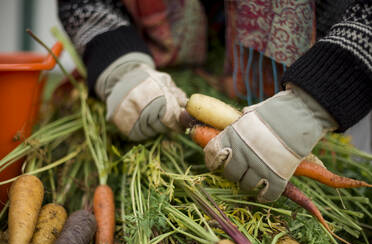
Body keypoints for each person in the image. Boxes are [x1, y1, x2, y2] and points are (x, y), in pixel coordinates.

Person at [58, 0, 372, 202]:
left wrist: (317, 101)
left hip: (343, 94)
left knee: (351, 189)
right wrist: (117, 60)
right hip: (167, 76)